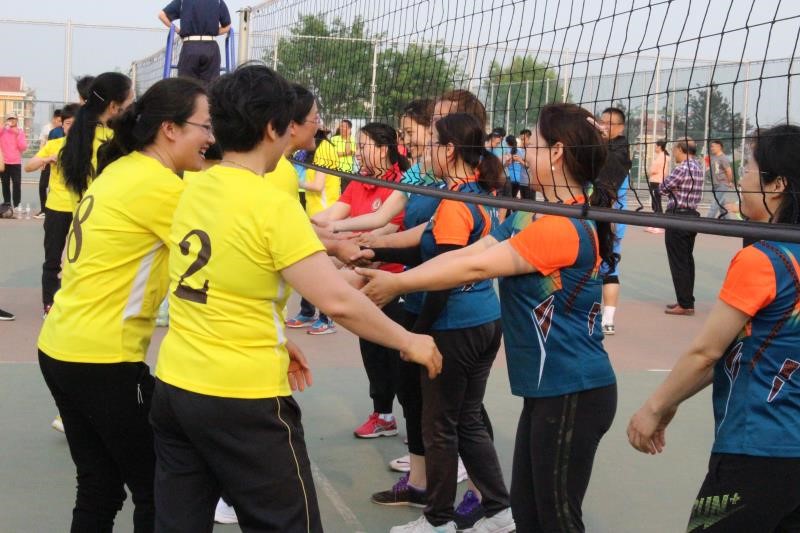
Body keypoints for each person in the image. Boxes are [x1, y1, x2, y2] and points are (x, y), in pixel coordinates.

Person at [150, 64, 441, 533]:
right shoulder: (271, 204)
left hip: (175, 386)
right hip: (243, 397)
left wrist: (278, 338)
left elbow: (228, 275)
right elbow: (337, 301)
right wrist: (409, 341)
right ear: (272, 128)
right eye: (289, 123)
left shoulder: (192, 186)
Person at [358, 103, 618, 533]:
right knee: (529, 515)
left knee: (557, 520)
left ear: (557, 152)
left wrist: (398, 283)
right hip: (549, 391)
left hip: (574, 389)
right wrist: (378, 253)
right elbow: (468, 253)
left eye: (533, 143)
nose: (523, 152)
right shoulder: (530, 213)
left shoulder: (561, 226)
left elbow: (477, 268)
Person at [37, 77, 211, 533]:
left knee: (99, 486)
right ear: (170, 128)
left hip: (61, 346)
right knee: (158, 487)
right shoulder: (158, 186)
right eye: (205, 126)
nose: (211, 138)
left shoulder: (121, 169)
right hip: (102, 358)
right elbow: (232, 240)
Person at [627, 123, 800, 533]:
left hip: (753, 453)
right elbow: (735, 351)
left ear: (777, 185)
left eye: (750, 168)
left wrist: (654, 407)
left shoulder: (762, 259)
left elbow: (708, 352)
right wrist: (674, 399)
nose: (742, 178)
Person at [356, 113, 513, 533]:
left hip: (455, 325)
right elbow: (431, 254)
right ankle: (499, 511)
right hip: (484, 320)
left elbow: (442, 275)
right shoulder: (477, 193)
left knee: (440, 427)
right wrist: (372, 251)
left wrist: (416, 334)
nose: (425, 152)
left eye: (432, 144)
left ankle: (438, 520)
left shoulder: (455, 203)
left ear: (450, 150)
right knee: (468, 420)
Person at [312, 122, 408, 439]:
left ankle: (417, 428)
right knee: (372, 350)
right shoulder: (360, 182)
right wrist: (293, 222)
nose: (357, 151)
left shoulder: (403, 185)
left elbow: (384, 234)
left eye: (363, 145)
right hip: (364, 277)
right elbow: (329, 217)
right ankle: (383, 415)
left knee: (400, 357)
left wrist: (344, 248)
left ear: (383, 149)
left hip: (394, 281)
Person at [24, 104, 81, 318]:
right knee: (53, 258)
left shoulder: (90, 148)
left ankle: (76, 305)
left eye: (76, 123)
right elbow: (29, 166)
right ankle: (49, 304)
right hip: (57, 208)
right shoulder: (54, 144)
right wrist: (46, 159)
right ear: (61, 125)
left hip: (83, 209)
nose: (71, 127)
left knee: (81, 260)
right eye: (67, 123)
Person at [285, 127, 341, 334]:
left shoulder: (325, 148)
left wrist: (290, 179)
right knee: (308, 265)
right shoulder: (309, 150)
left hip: (327, 216)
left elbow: (318, 185)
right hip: (313, 215)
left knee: (323, 268)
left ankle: (327, 318)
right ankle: (307, 312)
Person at [60, 72, 133, 203]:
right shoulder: (116, 139)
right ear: (113, 107)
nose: (134, 109)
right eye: (131, 103)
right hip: (107, 212)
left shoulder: (74, 135)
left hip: (81, 213)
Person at [596, 107, 632, 335]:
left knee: (608, 268)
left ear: (621, 127)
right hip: (601, 216)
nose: (604, 126)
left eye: (610, 123)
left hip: (611, 219)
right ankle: (598, 317)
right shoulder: (606, 149)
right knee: (597, 267)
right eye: (602, 121)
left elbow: (608, 192)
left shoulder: (619, 154)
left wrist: (610, 222)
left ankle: (608, 319)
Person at [661, 137, 704, 316]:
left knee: (678, 261)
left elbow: (662, 188)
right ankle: (686, 301)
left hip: (677, 216)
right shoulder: (698, 167)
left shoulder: (682, 168)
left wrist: (673, 189)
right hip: (692, 216)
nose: (673, 154)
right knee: (686, 260)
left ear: (680, 149)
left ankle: (685, 304)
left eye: (674, 150)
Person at [158, 0, 232, 83]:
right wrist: (212, 32)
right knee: (210, 86)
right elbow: (227, 26)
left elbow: (162, 15)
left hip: (190, 46)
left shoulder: (182, 1)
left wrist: (178, 31)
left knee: (186, 85)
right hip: (211, 47)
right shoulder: (218, 1)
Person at [0, 113, 28, 210]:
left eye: (13, 119)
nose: (11, 121)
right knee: (5, 183)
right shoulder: (2, 130)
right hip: (3, 162)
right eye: (9, 119)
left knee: (16, 184)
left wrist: (17, 135)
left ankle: (17, 205)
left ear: (17, 120)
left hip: (15, 162)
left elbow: (23, 147)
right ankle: (7, 203)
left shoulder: (20, 132)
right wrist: (4, 125)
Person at [706, 139, 735, 219]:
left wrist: (729, 182)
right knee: (722, 205)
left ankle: (707, 221)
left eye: (713, 146)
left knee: (714, 204)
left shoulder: (723, 158)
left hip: (722, 185)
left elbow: (729, 171)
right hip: (715, 184)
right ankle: (728, 221)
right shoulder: (714, 157)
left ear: (719, 147)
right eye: (711, 147)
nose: (711, 148)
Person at [645, 139, 669, 232]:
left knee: (656, 203)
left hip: (656, 181)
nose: (655, 148)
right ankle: (657, 224)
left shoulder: (661, 157)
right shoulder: (664, 156)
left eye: (655, 146)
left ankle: (659, 225)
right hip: (658, 181)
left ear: (659, 147)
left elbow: (653, 170)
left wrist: (649, 171)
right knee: (656, 202)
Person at [503, 134, 530, 199]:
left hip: (509, 178)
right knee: (514, 197)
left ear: (507, 143)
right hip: (519, 179)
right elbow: (527, 164)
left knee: (508, 199)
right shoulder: (520, 151)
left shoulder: (506, 150)